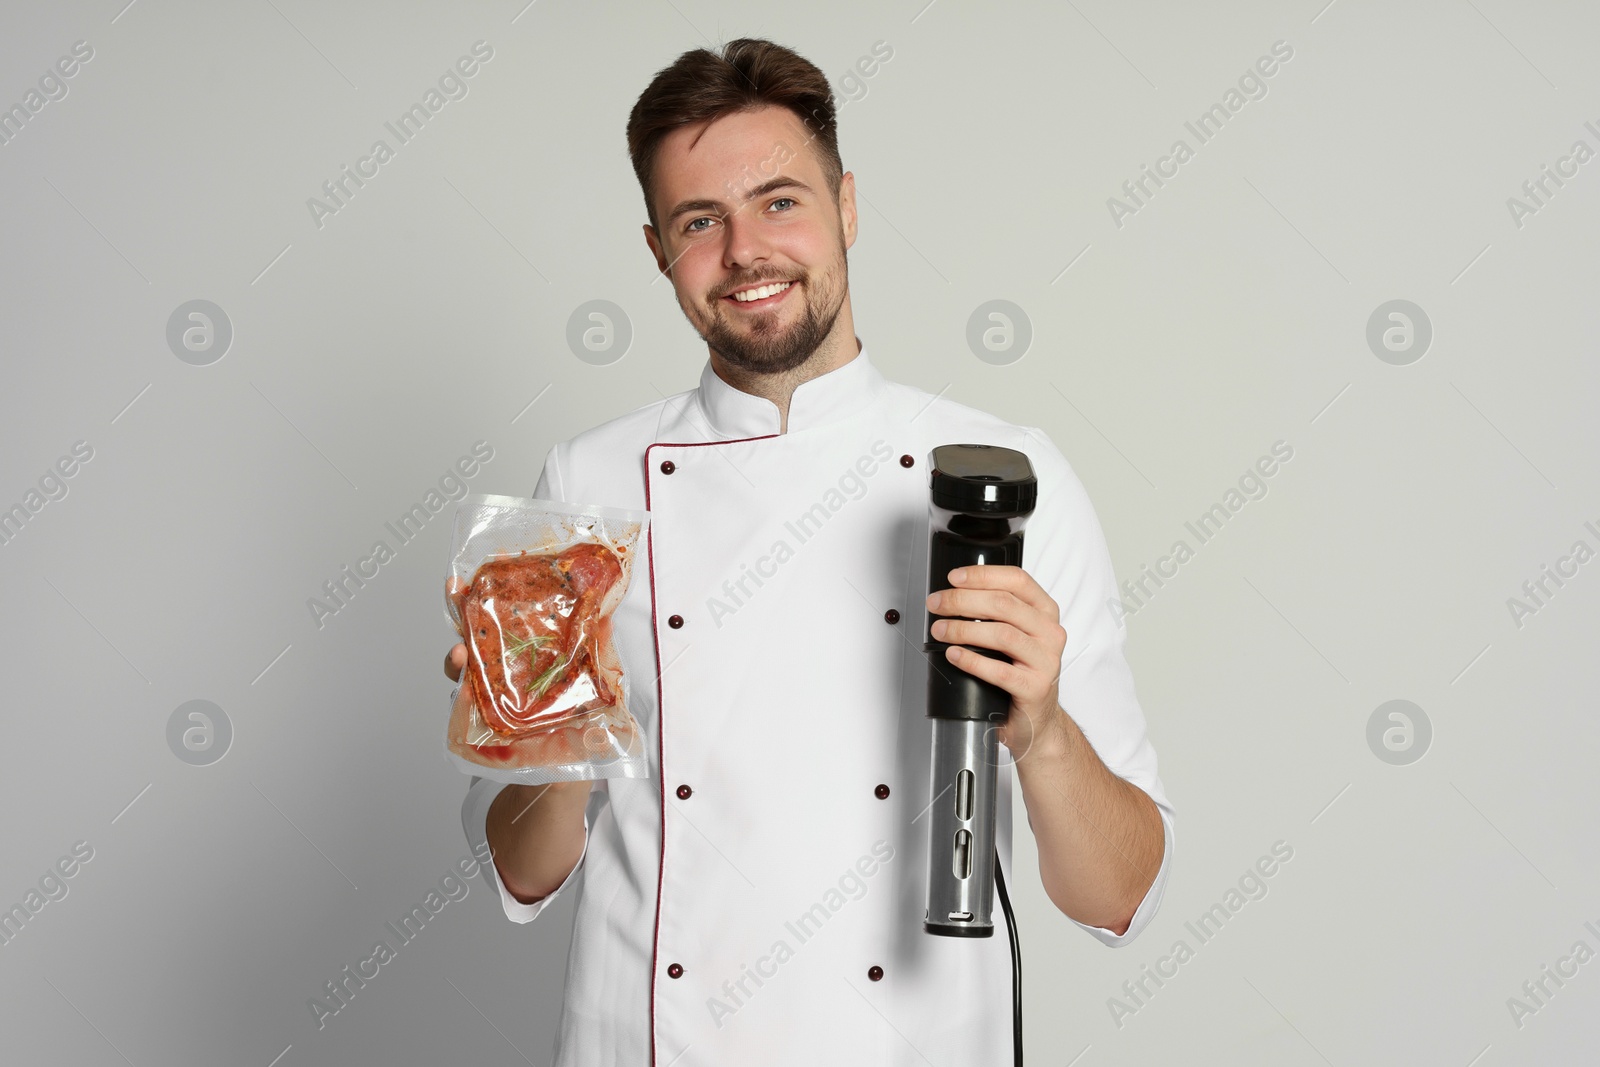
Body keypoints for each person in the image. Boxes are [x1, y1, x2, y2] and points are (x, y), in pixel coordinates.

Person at [446, 37, 1173, 1066]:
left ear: (846, 207)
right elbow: (520, 870)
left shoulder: (1005, 481)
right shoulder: (584, 484)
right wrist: (556, 729)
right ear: (658, 249)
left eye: (779, 201)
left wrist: (1044, 730)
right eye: (701, 221)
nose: (746, 250)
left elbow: (1121, 893)